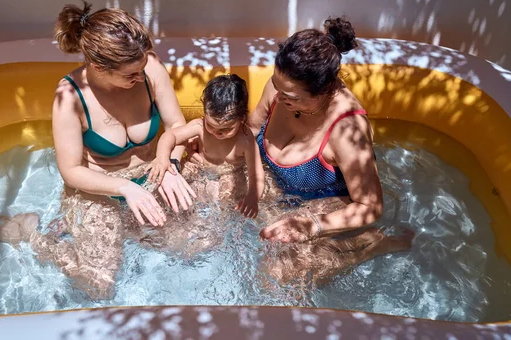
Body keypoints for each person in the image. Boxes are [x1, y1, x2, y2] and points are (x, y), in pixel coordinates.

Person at [0, 1, 196, 298]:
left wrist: (170, 164)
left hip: (154, 174)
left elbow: (176, 127)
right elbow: (71, 171)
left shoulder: (149, 67)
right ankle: (29, 235)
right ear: (98, 67)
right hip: (100, 193)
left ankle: (132, 233)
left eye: (142, 69)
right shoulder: (70, 96)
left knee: (197, 244)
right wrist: (124, 188)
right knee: (98, 285)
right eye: (130, 75)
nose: (140, 78)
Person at [247, 17, 413, 284]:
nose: (279, 96)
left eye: (292, 97)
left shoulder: (347, 131)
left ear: (324, 90)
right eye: (278, 87)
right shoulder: (281, 86)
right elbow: (251, 130)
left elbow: (370, 206)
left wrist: (312, 225)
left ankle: (370, 244)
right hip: (274, 186)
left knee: (277, 275)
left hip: (324, 202)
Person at [148, 74, 265, 218]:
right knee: (167, 182)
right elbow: (170, 136)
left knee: (226, 199)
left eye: (227, 129)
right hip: (199, 167)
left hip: (229, 173)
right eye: (211, 125)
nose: (217, 133)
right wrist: (162, 158)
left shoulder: (245, 140)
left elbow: (256, 174)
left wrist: (253, 197)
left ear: (242, 119)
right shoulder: (199, 126)